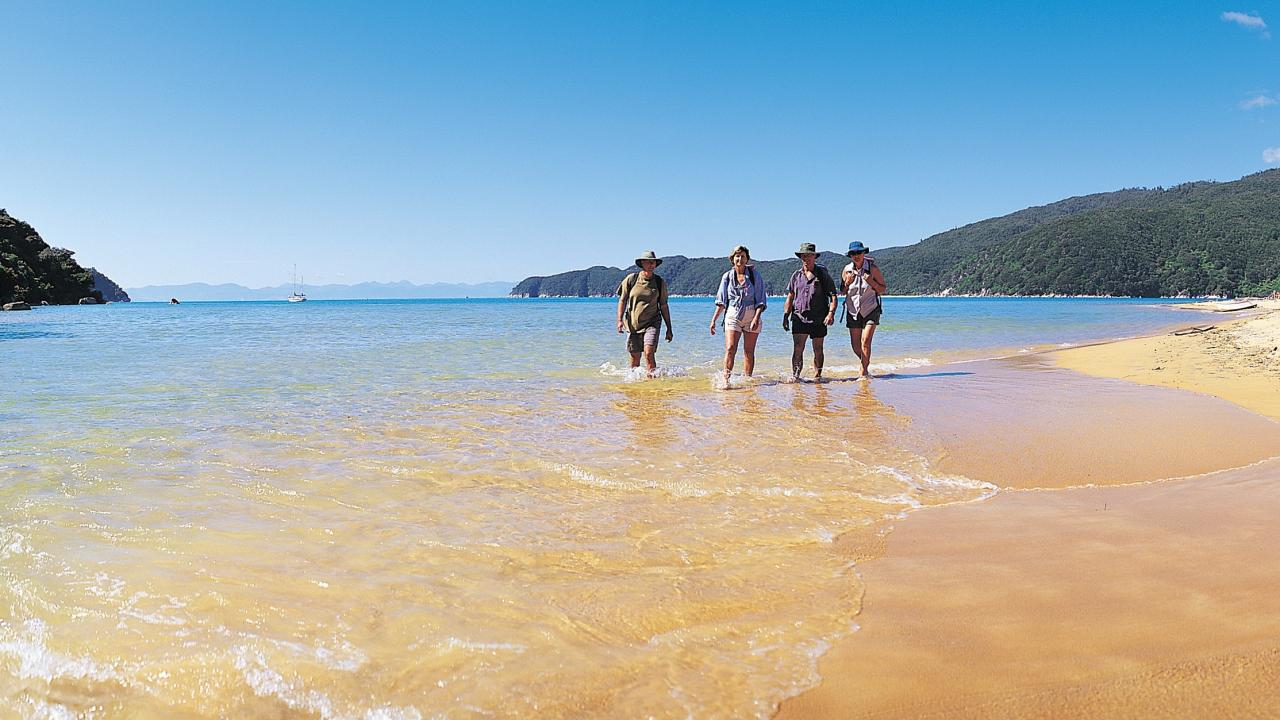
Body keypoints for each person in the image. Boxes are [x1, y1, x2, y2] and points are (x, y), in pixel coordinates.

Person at [710, 245, 768, 383]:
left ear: (747, 259)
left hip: (752, 315)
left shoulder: (755, 276)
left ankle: (748, 380)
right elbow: (721, 301)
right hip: (733, 314)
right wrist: (713, 321)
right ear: (732, 259)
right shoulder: (727, 277)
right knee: (730, 348)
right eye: (737, 256)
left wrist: (756, 317)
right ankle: (726, 380)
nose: (740, 259)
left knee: (748, 351)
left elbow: (761, 300)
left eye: (743, 256)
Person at [782, 242, 838, 381]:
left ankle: (817, 376)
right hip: (799, 317)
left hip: (819, 318)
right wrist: (785, 316)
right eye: (803, 256)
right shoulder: (796, 275)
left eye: (808, 255)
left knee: (818, 349)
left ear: (814, 256)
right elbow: (790, 296)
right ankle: (796, 377)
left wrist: (831, 313)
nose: (805, 258)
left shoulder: (822, 274)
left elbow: (833, 295)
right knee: (798, 349)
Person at [616, 250, 673, 376]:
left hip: (652, 322)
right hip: (633, 323)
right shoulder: (631, 279)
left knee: (648, 353)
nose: (652, 264)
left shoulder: (659, 282)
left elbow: (663, 305)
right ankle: (635, 389)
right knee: (635, 358)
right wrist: (619, 320)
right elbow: (623, 300)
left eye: (654, 262)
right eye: (649, 262)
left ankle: (651, 385)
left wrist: (669, 328)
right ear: (642, 263)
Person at [841, 241, 888, 379]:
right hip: (853, 310)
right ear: (850, 255)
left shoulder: (873, 269)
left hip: (871, 309)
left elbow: (883, 289)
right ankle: (865, 363)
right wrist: (847, 283)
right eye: (853, 253)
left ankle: (863, 373)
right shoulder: (846, 270)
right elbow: (842, 291)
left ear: (864, 253)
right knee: (856, 346)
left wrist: (871, 282)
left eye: (859, 252)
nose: (856, 256)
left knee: (865, 342)